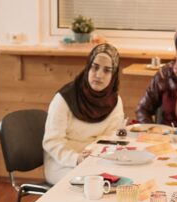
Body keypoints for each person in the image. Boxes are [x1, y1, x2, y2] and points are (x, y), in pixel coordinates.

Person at [42, 43, 126, 185]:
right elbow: (52, 142)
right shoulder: (64, 98)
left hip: (95, 162)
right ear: (88, 67)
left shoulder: (115, 102)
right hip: (63, 163)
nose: (99, 75)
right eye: (95, 67)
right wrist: (76, 158)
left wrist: (94, 158)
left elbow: (111, 140)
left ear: (114, 75)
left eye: (107, 70)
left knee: (124, 179)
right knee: (94, 184)